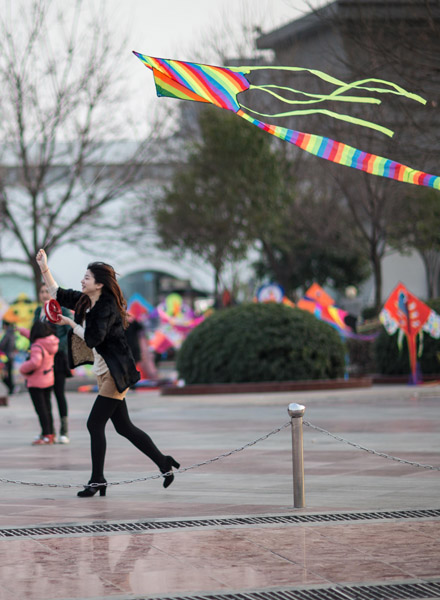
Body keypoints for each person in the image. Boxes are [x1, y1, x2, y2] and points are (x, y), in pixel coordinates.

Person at [36, 249, 180, 497]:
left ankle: (97, 480)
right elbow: (58, 294)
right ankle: (164, 462)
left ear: (99, 284)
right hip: (103, 371)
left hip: (116, 373)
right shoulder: (84, 300)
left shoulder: (107, 306)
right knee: (124, 427)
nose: (82, 281)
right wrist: (43, 267)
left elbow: (93, 338)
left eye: (87, 278)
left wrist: (69, 323)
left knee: (94, 423)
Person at [34, 283, 72, 443]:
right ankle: (48, 431)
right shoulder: (38, 311)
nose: (44, 294)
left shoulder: (61, 310)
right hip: (42, 360)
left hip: (57, 358)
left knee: (59, 393)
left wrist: (57, 347)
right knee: (44, 395)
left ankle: (64, 430)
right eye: (42, 291)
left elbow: (69, 331)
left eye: (47, 291)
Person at [19, 321, 59, 445]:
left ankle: (46, 435)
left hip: (36, 382)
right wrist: (20, 330)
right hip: (48, 380)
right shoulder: (50, 342)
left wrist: (23, 368)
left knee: (40, 409)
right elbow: (30, 335)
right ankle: (50, 434)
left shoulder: (37, 346)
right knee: (47, 408)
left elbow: (35, 362)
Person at [0, 320, 16, 394]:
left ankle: (11, 388)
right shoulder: (13, 334)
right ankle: (11, 388)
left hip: (5, 357)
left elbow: (2, 345)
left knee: (5, 375)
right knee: (9, 374)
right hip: (11, 356)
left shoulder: (7, 334)